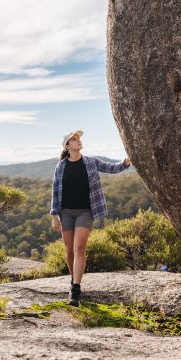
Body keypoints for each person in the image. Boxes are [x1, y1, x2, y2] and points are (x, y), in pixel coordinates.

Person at [50, 130, 131, 306]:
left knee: (79, 247)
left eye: (78, 139)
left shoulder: (91, 162)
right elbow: (55, 192)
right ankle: (73, 279)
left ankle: (76, 290)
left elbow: (112, 168)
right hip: (65, 212)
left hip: (85, 211)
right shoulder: (61, 166)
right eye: (74, 139)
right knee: (69, 249)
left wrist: (126, 161)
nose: (78, 141)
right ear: (67, 146)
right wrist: (55, 215)